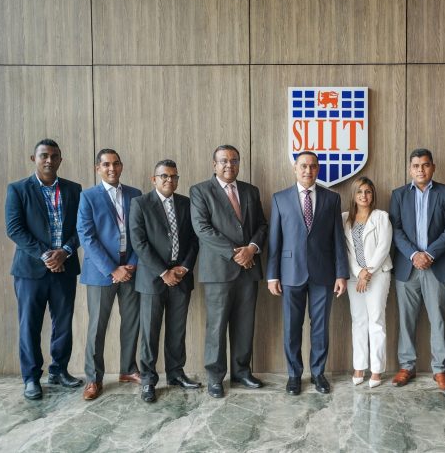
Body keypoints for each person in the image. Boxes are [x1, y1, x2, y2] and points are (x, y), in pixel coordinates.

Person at [5, 138, 83, 400]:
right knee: (30, 325)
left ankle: (59, 371)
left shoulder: (74, 189)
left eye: (54, 156)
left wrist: (65, 252)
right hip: (30, 271)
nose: (49, 160)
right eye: (44, 156)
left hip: (65, 268)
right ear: (34, 159)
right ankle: (31, 378)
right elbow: (14, 229)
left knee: (63, 323)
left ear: (60, 159)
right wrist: (47, 255)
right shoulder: (18, 189)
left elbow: (81, 227)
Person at [266, 151, 349, 395]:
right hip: (290, 273)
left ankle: (318, 373)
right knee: (292, 326)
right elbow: (274, 241)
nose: (308, 170)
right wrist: (272, 275)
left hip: (324, 273)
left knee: (320, 327)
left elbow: (337, 239)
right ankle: (294, 375)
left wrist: (341, 274)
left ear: (318, 169)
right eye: (303, 166)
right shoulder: (280, 198)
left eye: (312, 166)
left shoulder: (332, 199)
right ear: (295, 168)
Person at [190, 145, 268, 398]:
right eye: (223, 161)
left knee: (245, 324)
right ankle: (215, 377)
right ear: (214, 164)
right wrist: (237, 254)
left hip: (249, 269)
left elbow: (262, 225)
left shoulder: (250, 191)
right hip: (219, 271)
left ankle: (241, 372)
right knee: (216, 326)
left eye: (234, 161)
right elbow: (202, 229)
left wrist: (252, 249)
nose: (229, 165)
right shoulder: (200, 191)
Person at [389, 149, 445, 391]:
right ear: (410, 169)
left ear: (433, 167)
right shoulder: (398, 195)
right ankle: (406, 366)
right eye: (416, 165)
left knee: (438, 319)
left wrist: (429, 254)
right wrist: (414, 254)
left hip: (436, 265)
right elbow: (395, 229)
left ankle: (440, 370)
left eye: (425, 165)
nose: (421, 169)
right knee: (406, 319)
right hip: (407, 266)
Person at [129, 159, 199, 403]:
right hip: (152, 279)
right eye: (164, 176)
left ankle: (176, 373)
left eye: (174, 176)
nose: (170, 180)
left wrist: (184, 267)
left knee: (177, 330)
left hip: (181, 277)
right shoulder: (140, 203)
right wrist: (163, 272)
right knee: (149, 332)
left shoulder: (186, 203)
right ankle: (148, 380)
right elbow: (139, 243)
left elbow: (194, 240)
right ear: (154, 179)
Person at [77, 149, 142, 400]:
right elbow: (87, 237)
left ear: (121, 166)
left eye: (116, 164)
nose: (111, 168)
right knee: (97, 327)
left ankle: (128, 369)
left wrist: (131, 264)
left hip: (131, 270)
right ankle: (93, 379)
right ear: (98, 169)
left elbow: (140, 232)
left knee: (132, 321)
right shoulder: (88, 196)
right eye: (106, 164)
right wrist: (113, 269)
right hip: (101, 272)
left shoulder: (135, 194)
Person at [342, 177, 393, 388]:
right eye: (359, 192)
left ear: (373, 195)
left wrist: (368, 273)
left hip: (378, 275)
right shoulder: (344, 218)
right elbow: (346, 251)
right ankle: (359, 366)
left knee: (376, 320)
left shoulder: (381, 217)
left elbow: (384, 247)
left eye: (368, 192)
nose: (364, 196)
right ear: (353, 195)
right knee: (359, 320)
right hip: (355, 277)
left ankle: (377, 370)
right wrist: (359, 272)